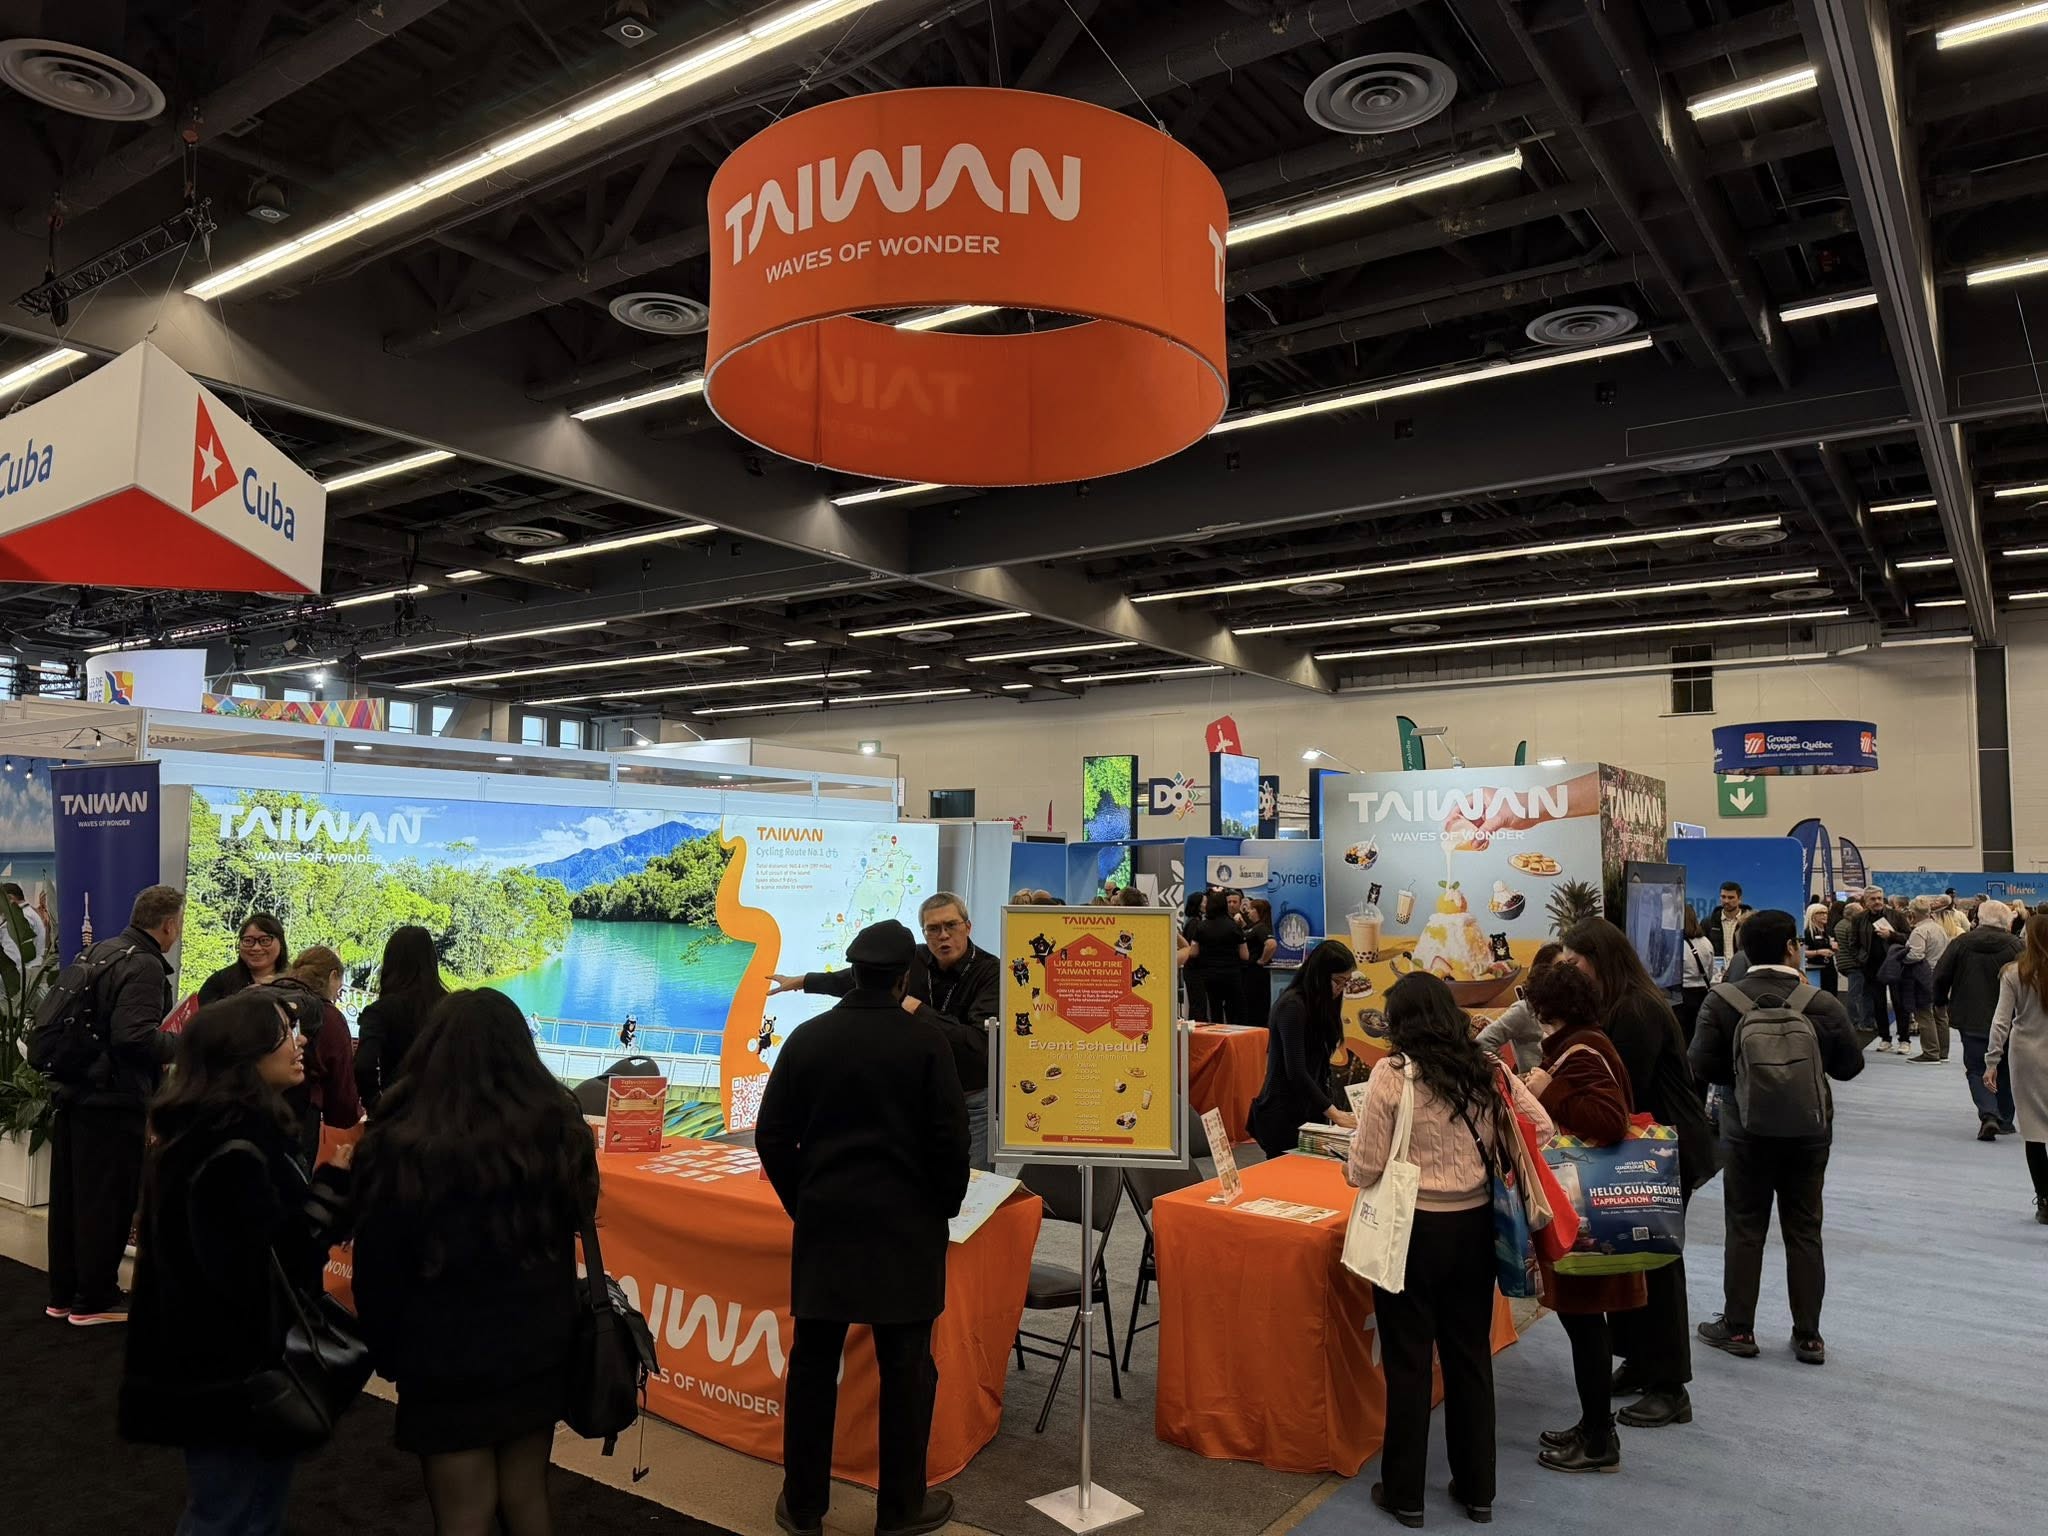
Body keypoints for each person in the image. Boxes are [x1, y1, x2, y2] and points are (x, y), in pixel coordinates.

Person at [352, 988, 599, 1536]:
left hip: (440, 1353)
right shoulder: (560, 1132)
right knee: (527, 1493)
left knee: (463, 1511)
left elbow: (377, 1269)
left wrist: (388, 1352)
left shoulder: (399, 1141)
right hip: (537, 1343)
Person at [757, 921, 969, 1536]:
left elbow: (771, 1135)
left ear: (853, 973)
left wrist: (804, 1201)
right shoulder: (926, 1042)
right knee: (907, 1372)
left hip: (826, 1226)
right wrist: (943, 1206)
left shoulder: (808, 1038)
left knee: (813, 1366)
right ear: (905, 977)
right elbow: (950, 1140)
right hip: (907, 1231)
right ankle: (900, 1510)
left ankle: (804, 1507)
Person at [119, 991, 354, 1535]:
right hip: (231, 1374)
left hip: (216, 1367)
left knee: (245, 1506)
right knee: (232, 1510)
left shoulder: (212, 1133)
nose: (301, 1042)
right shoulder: (233, 1149)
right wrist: (330, 1190)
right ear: (245, 1053)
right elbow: (262, 1266)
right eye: (285, 1033)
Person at [1346, 973, 1554, 1526]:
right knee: (1469, 1358)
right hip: (1477, 1228)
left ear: (1401, 1023)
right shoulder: (1488, 1069)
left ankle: (1405, 1494)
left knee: (1409, 1361)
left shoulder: (1391, 1075)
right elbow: (1542, 1128)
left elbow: (1364, 1167)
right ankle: (1478, 1489)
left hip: (1410, 1231)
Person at [1689, 911, 1864, 1366]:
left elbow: (1701, 1066)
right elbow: (1850, 1067)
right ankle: (1809, 1336)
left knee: (1745, 1226)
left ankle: (1738, 1328)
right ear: (1791, 947)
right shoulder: (1820, 1002)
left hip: (1745, 1131)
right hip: (1809, 1132)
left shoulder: (1721, 1001)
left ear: (1744, 950)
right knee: (1804, 1228)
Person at [1560, 920, 1716, 1429]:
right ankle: (1639, 1360)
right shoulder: (1624, 1004)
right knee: (1628, 1258)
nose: (1570, 972)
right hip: (1644, 1151)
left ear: (1598, 959)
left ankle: (1670, 1385)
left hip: (1661, 1153)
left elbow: (1623, 1091)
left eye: (1574, 963)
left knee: (1657, 1264)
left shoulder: (1635, 1010)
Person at [767, 891, 998, 1169]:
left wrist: (919, 1010)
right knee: (914, 1173)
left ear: (968, 927)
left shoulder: (991, 972)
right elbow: (856, 978)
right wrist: (803, 981)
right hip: (917, 1093)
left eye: (951, 925)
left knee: (975, 1181)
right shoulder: (915, 959)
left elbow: (980, 1045)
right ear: (924, 932)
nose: (943, 935)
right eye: (933, 929)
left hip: (970, 1097)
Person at [1521, 963, 1644, 1473]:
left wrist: (1547, 1089)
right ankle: (1594, 1425)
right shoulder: (1586, 1044)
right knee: (1583, 1324)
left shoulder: (1582, 1052)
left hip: (1586, 1212)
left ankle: (1598, 1438)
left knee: (1586, 1324)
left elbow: (1610, 1121)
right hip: (1589, 1210)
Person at [45, 883, 184, 1327]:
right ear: (169, 925)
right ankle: (95, 1298)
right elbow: (134, 1037)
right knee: (106, 1201)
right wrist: (185, 1044)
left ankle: (64, 1294)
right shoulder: (144, 965)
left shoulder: (99, 951)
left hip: (76, 1092)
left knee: (70, 1200)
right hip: (113, 1101)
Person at [1247, 940, 1357, 1158]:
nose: (1341, 988)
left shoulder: (1320, 1004)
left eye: (1346, 982)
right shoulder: (1292, 1006)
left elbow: (1318, 1066)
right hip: (1283, 1114)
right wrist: (1335, 1114)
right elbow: (1296, 1071)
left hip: (1309, 1111)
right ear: (1319, 975)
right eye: (1337, 981)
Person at [1936, 899, 2023, 1140]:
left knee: (1976, 1068)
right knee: (2005, 1067)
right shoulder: (2017, 946)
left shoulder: (1960, 943)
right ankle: (2005, 1119)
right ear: (2007, 921)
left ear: (1978, 918)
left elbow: (1941, 974)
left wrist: (1940, 1000)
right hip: (2008, 1018)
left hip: (1969, 1015)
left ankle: (1988, 1113)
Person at [1985, 905, 2048, 1223]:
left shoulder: (2013, 973)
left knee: (2034, 1131)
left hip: (2027, 1057)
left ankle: (2045, 1201)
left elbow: (2001, 1021)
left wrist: (1991, 1060)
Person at [272, 946, 363, 1162]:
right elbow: (342, 1106)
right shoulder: (329, 1017)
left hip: (241, 1113)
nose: (339, 993)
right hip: (296, 1122)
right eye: (340, 985)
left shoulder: (261, 998)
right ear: (333, 976)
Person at [353, 926, 448, 1112]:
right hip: (444, 1111)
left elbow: (363, 1065)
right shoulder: (451, 1006)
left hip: (398, 1111)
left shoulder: (379, 1012)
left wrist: (375, 1105)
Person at [1475, 941, 1564, 1073]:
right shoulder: (1525, 1009)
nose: (1567, 974)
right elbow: (1482, 1042)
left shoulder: (1572, 1008)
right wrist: (1507, 1075)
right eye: (1559, 967)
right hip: (1533, 1083)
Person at [1182, 890, 1249, 1023]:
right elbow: (1245, 955)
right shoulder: (1234, 927)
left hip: (1210, 975)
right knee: (1233, 1010)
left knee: (1215, 1009)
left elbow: (1194, 952)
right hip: (1231, 974)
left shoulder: (1201, 926)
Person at [196, 913, 290, 1005]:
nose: (256, 948)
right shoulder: (219, 982)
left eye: (265, 940)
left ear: (281, 943)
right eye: (248, 941)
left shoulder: (293, 980)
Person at [1904, 896, 1952, 1062]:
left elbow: (1916, 955)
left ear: (1912, 914)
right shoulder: (1939, 928)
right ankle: (1943, 1052)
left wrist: (1901, 956)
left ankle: (1930, 1052)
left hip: (1925, 976)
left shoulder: (1919, 931)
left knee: (1924, 1014)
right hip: (1941, 975)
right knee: (1941, 1015)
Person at [1677, 907, 1716, 1043]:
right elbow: (1710, 972)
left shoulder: (1677, 944)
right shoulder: (1707, 942)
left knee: (1684, 1037)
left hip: (1682, 996)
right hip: (1702, 994)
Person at [1240, 896, 1277, 1028]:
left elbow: (1271, 944)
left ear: (1258, 911)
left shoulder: (1261, 927)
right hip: (1250, 972)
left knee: (1256, 1006)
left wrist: (1262, 960)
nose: (1248, 912)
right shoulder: (1254, 927)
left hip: (1256, 974)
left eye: (1251, 909)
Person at [0, 879, 49, 967]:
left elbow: (12, 958)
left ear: (10, 898)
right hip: (33, 968)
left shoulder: (18, 919)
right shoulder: (29, 913)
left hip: (24, 971)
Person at [1805, 903, 1839, 994]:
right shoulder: (1808, 933)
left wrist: (1835, 948)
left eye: (1826, 913)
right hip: (1815, 970)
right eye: (1820, 913)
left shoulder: (1828, 931)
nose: (1824, 915)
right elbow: (1803, 952)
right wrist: (1818, 952)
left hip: (1830, 968)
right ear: (1812, 915)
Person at [1712, 883, 1752, 961]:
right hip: (1717, 968)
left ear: (1740, 899)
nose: (1726, 901)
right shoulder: (1709, 923)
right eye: (1723, 897)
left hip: (1744, 966)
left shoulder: (1750, 922)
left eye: (1731, 898)